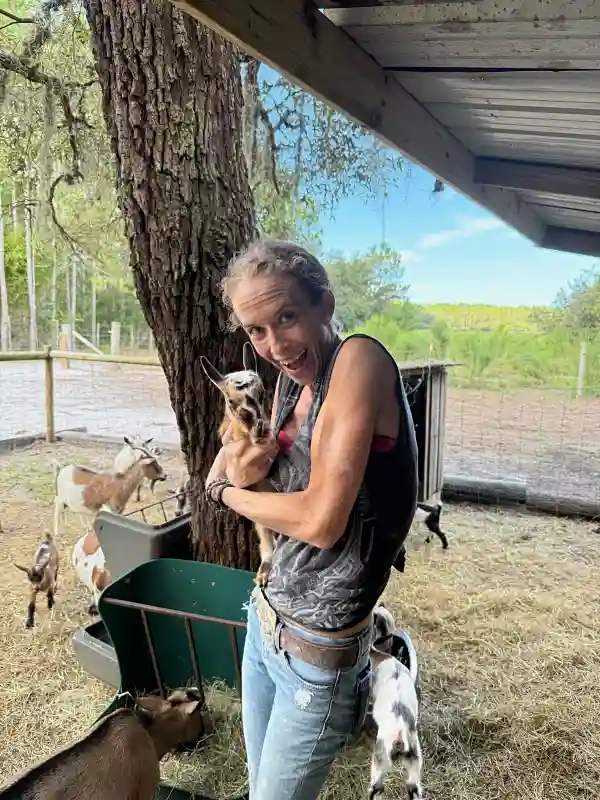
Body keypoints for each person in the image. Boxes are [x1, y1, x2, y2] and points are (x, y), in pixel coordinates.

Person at [204, 239, 418, 800]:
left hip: (316, 656)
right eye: (256, 330)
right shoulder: (285, 384)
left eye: (287, 317)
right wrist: (237, 458)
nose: (274, 345)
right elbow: (254, 467)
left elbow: (322, 521)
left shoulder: (359, 362)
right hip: (265, 624)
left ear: (324, 303)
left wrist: (225, 494)